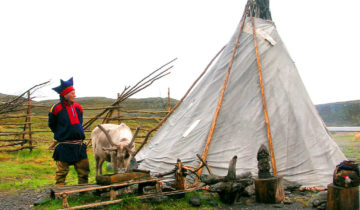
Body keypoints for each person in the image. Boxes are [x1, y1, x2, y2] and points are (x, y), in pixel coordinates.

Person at [48, 77, 90, 186]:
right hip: (64, 146)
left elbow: (79, 122)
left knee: (84, 172)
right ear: (65, 94)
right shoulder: (55, 108)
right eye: (72, 93)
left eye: (74, 92)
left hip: (79, 146)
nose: (74, 95)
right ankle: (60, 193)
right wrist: (62, 133)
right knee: (61, 173)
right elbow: (52, 125)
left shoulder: (78, 107)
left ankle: (83, 192)